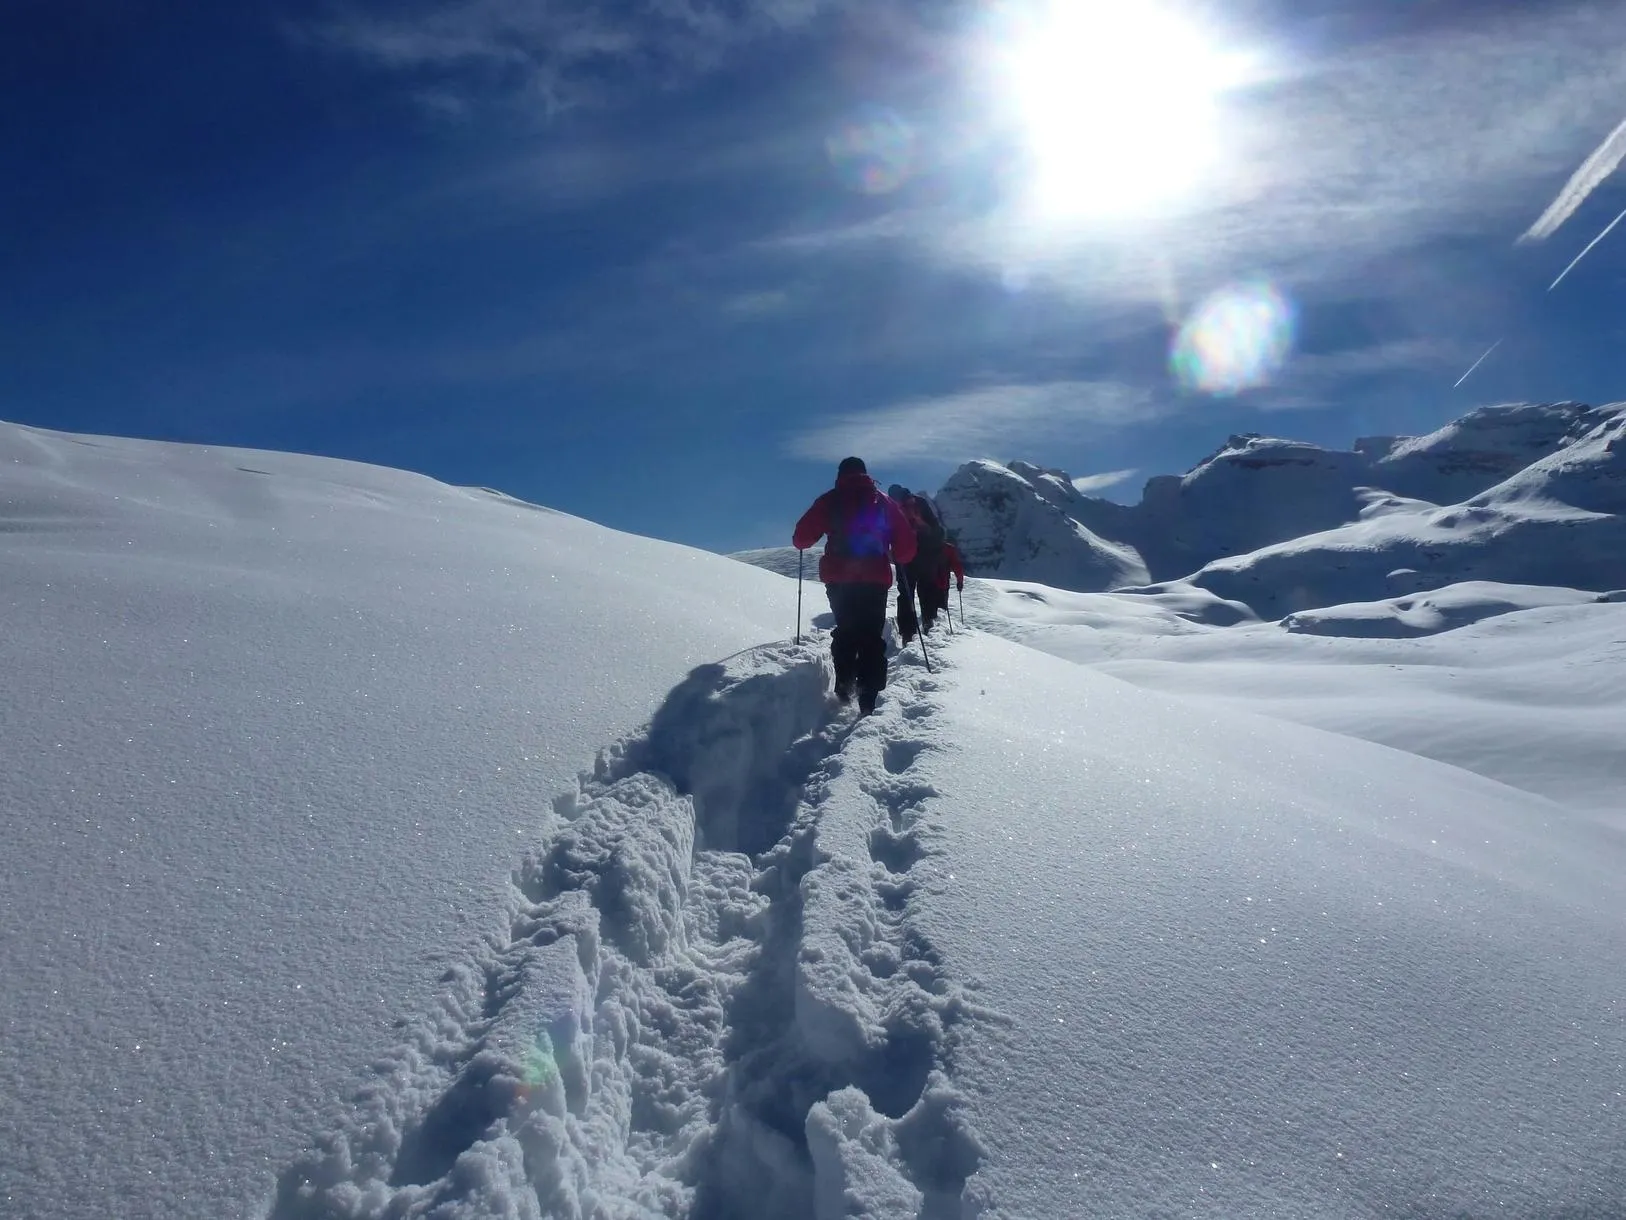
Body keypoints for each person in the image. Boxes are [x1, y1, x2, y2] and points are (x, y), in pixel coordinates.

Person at [794, 457, 917, 715]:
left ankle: (844, 685)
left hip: (840, 579)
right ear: (865, 474)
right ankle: (868, 697)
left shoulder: (830, 500)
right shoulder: (883, 501)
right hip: (874, 579)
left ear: (840, 475)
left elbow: (801, 539)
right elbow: (906, 549)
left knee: (847, 629)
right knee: (871, 635)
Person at [887, 484, 950, 636]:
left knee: (905, 595)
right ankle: (930, 626)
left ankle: (907, 633)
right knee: (927, 591)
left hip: (905, 558)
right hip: (927, 557)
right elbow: (937, 530)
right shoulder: (919, 502)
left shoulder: (890, 507)